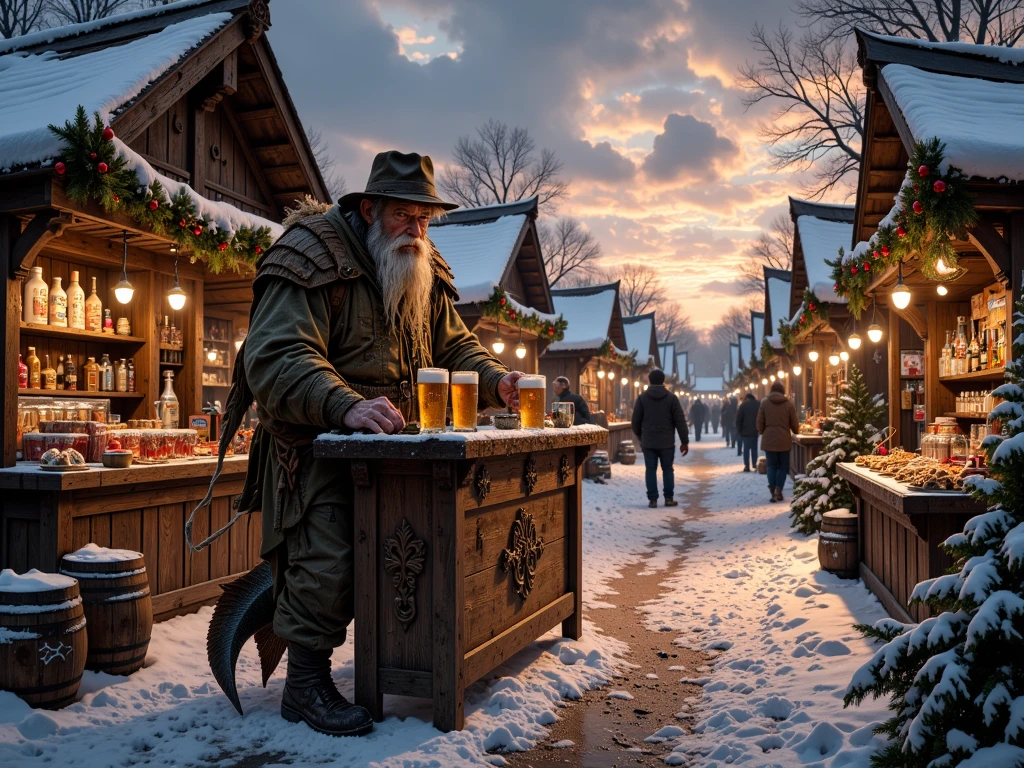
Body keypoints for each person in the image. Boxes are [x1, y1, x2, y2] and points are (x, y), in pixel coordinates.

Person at [198, 151, 524, 738]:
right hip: (318, 446)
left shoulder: (419, 264)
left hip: (398, 449)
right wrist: (344, 404)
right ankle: (305, 686)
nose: (417, 231)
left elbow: (454, 347)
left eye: (425, 220)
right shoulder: (310, 253)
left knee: (413, 555)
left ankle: (412, 660)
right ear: (369, 208)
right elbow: (278, 355)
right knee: (329, 558)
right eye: (404, 216)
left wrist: (496, 378)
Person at [631, 369, 689, 508]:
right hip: (667, 441)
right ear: (663, 381)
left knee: (650, 469)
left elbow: (635, 421)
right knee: (668, 469)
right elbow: (680, 421)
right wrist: (684, 441)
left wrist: (641, 436)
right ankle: (669, 498)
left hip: (649, 441)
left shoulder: (642, 398)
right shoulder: (671, 398)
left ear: (649, 381)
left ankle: (653, 499)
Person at [757, 381, 800, 502]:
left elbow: (760, 421)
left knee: (771, 465)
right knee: (782, 466)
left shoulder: (764, 403)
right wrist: (795, 430)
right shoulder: (789, 404)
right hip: (783, 439)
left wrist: (763, 432)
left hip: (769, 439)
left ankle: (772, 488)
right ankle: (778, 489)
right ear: (782, 391)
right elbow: (794, 422)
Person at [735, 392, 760, 472]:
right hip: (755, 431)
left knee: (746, 450)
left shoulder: (743, 405)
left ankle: (747, 466)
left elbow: (738, 419)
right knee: (754, 449)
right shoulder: (758, 404)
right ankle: (754, 464)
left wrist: (739, 430)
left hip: (745, 432)